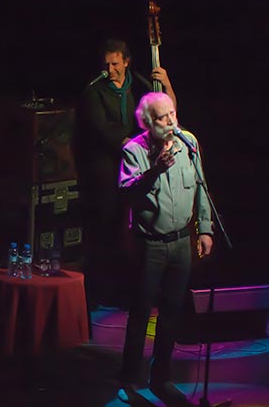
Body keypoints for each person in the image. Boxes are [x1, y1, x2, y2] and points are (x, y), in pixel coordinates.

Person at [117, 92, 213, 407]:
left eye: (172, 113)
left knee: (172, 313)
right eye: (162, 117)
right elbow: (126, 193)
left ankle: (162, 378)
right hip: (150, 245)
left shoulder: (189, 143)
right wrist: (154, 170)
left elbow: (201, 186)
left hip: (181, 242)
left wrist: (205, 228)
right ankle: (130, 380)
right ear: (147, 122)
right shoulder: (134, 151)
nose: (171, 121)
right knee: (142, 313)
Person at [74, 39, 177, 308]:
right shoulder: (94, 91)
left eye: (116, 63)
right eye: (107, 64)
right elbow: (99, 128)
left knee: (132, 231)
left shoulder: (139, 84)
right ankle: (97, 291)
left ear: (127, 62)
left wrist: (165, 84)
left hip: (135, 164)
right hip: (105, 169)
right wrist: (132, 145)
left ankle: (127, 290)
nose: (110, 69)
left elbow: (165, 109)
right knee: (105, 228)